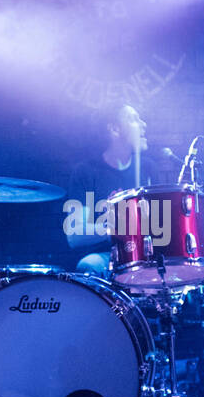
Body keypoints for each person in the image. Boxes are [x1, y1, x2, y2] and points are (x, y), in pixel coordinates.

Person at [64, 103, 150, 273]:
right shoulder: (86, 172)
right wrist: (116, 228)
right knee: (88, 265)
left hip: (147, 253)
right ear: (115, 129)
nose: (143, 125)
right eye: (134, 119)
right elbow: (74, 235)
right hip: (107, 256)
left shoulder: (148, 168)